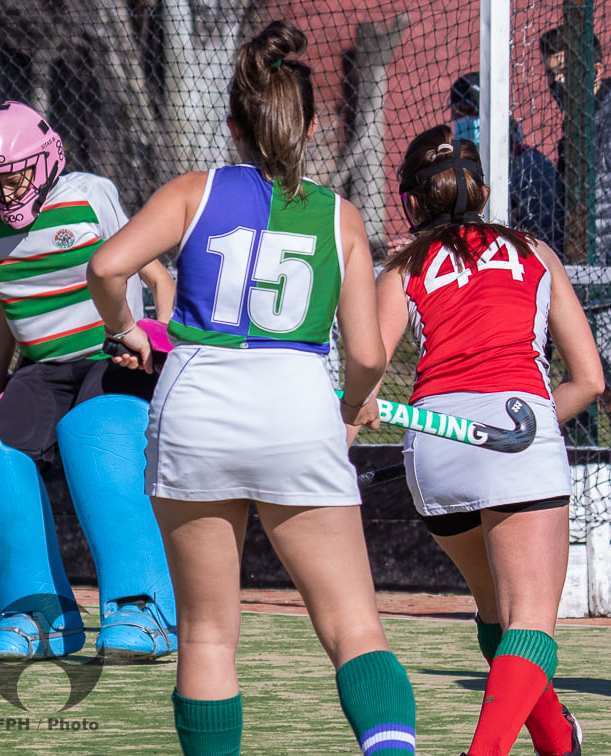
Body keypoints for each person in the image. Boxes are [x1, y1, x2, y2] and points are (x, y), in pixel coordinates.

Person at [87, 21, 416, 755]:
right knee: (355, 625)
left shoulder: (191, 192)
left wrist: (129, 328)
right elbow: (365, 352)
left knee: (208, 634)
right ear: (307, 124)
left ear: (235, 123)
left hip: (197, 401)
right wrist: (354, 399)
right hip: (297, 401)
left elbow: (109, 267)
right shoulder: (342, 215)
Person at [375, 126, 601, 756]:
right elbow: (588, 379)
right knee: (529, 622)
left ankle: (559, 741)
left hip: (433, 445)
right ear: (483, 187)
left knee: (495, 615)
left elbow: (364, 366)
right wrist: (529, 427)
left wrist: (360, 408)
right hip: (517, 427)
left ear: (412, 203)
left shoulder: (402, 267)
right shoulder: (534, 251)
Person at [0, 99, 180, 663]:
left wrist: (159, 345)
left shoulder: (89, 196)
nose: (7, 191)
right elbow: (5, 312)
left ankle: (145, 607)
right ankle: (38, 613)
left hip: (111, 355)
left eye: (16, 175)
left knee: (96, 434)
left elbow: (157, 279)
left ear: (46, 162)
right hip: (41, 370)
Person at [449, 71, 561, 251]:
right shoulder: (457, 169)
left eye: (471, 113)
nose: (463, 121)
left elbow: (546, 234)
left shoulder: (531, 167)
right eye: (458, 116)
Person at [539, 26, 610, 262]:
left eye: (565, 71)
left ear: (596, 72)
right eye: (551, 73)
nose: (557, 81)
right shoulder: (577, 125)